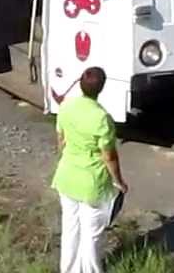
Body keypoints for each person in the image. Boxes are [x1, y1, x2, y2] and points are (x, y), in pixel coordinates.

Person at [52, 67, 128, 273]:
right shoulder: (102, 118)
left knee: (70, 228)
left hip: (67, 176)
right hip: (92, 182)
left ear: (80, 84)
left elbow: (61, 141)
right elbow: (109, 156)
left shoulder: (66, 107)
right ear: (101, 88)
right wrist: (119, 181)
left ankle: (68, 270)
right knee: (91, 234)